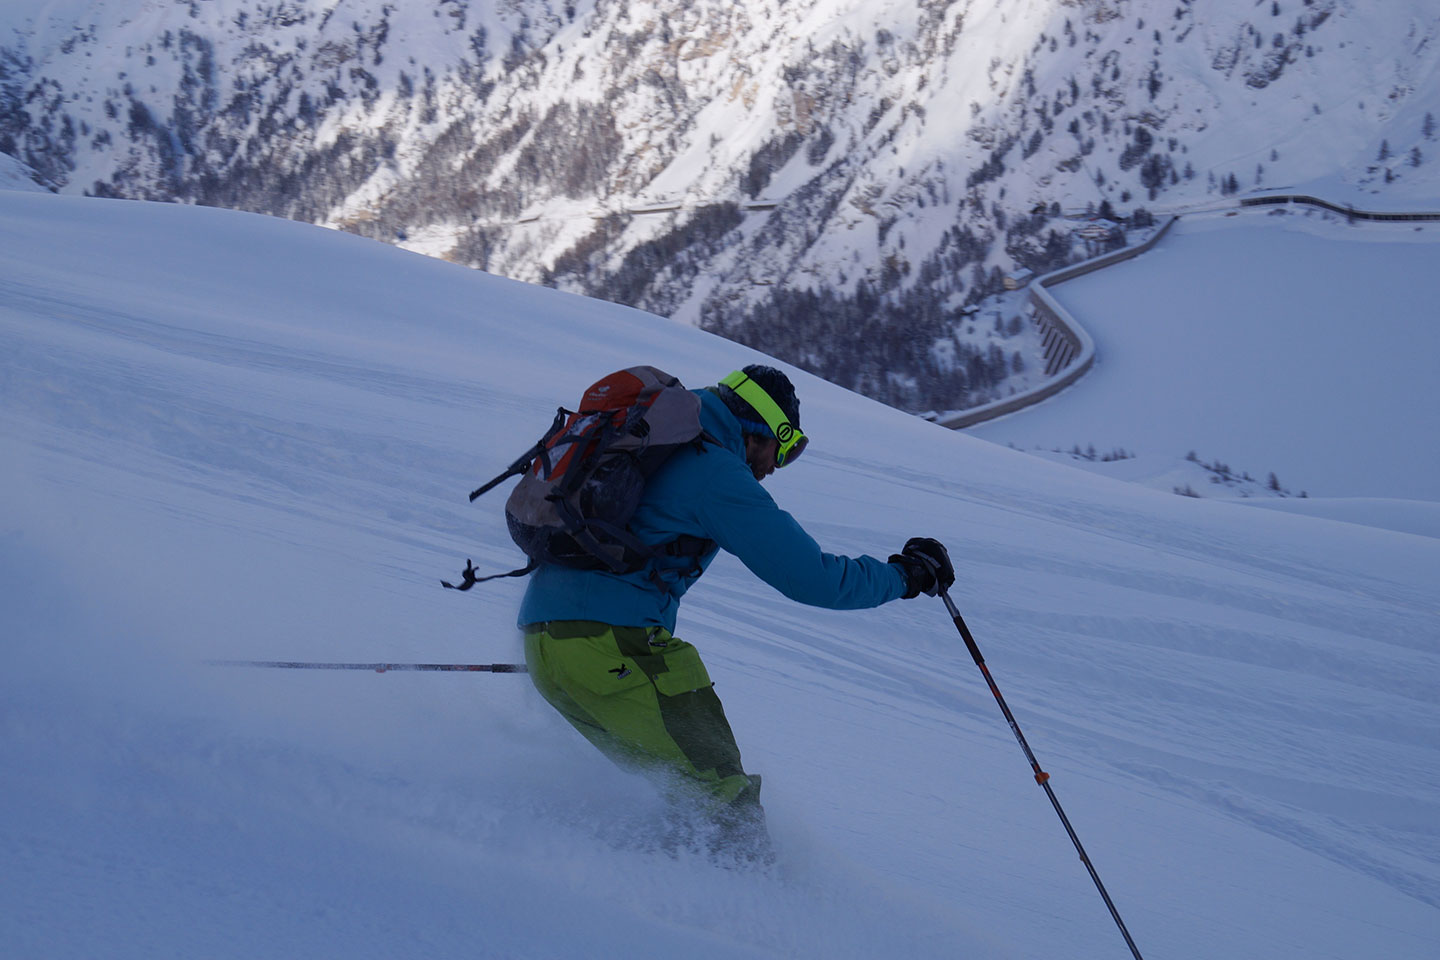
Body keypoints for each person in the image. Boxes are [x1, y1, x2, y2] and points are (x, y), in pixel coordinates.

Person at [519, 365, 953, 858]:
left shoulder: (657, 443)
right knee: (727, 805)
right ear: (761, 432)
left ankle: (644, 895)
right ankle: (753, 919)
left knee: (685, 796)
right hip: (613, 650)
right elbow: (812, 578)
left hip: (548, 646)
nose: (775, 467)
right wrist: (906, 576)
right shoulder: (714, 474)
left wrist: (570, 647)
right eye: (783, 451)